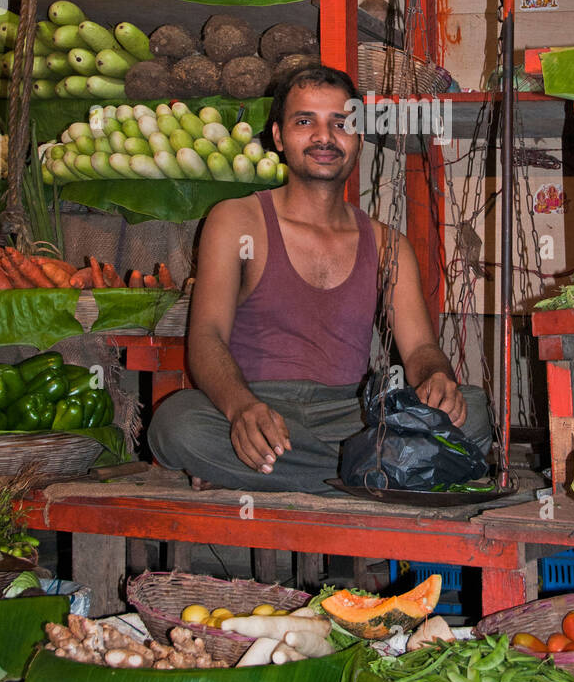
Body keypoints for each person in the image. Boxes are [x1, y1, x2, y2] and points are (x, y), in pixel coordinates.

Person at [149, 64, 493, 493]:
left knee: (472, 409)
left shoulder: (388, 245)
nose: (323, 138)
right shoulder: (237, 221)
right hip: (259, 407)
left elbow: (421, 348)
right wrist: (241, 411)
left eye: (340, 123)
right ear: (278, 136)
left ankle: (289, 470)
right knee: (177, 422)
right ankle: (379, 472)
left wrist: (437, 378)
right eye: (304, 121)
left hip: (350, 416)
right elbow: (207, 336)